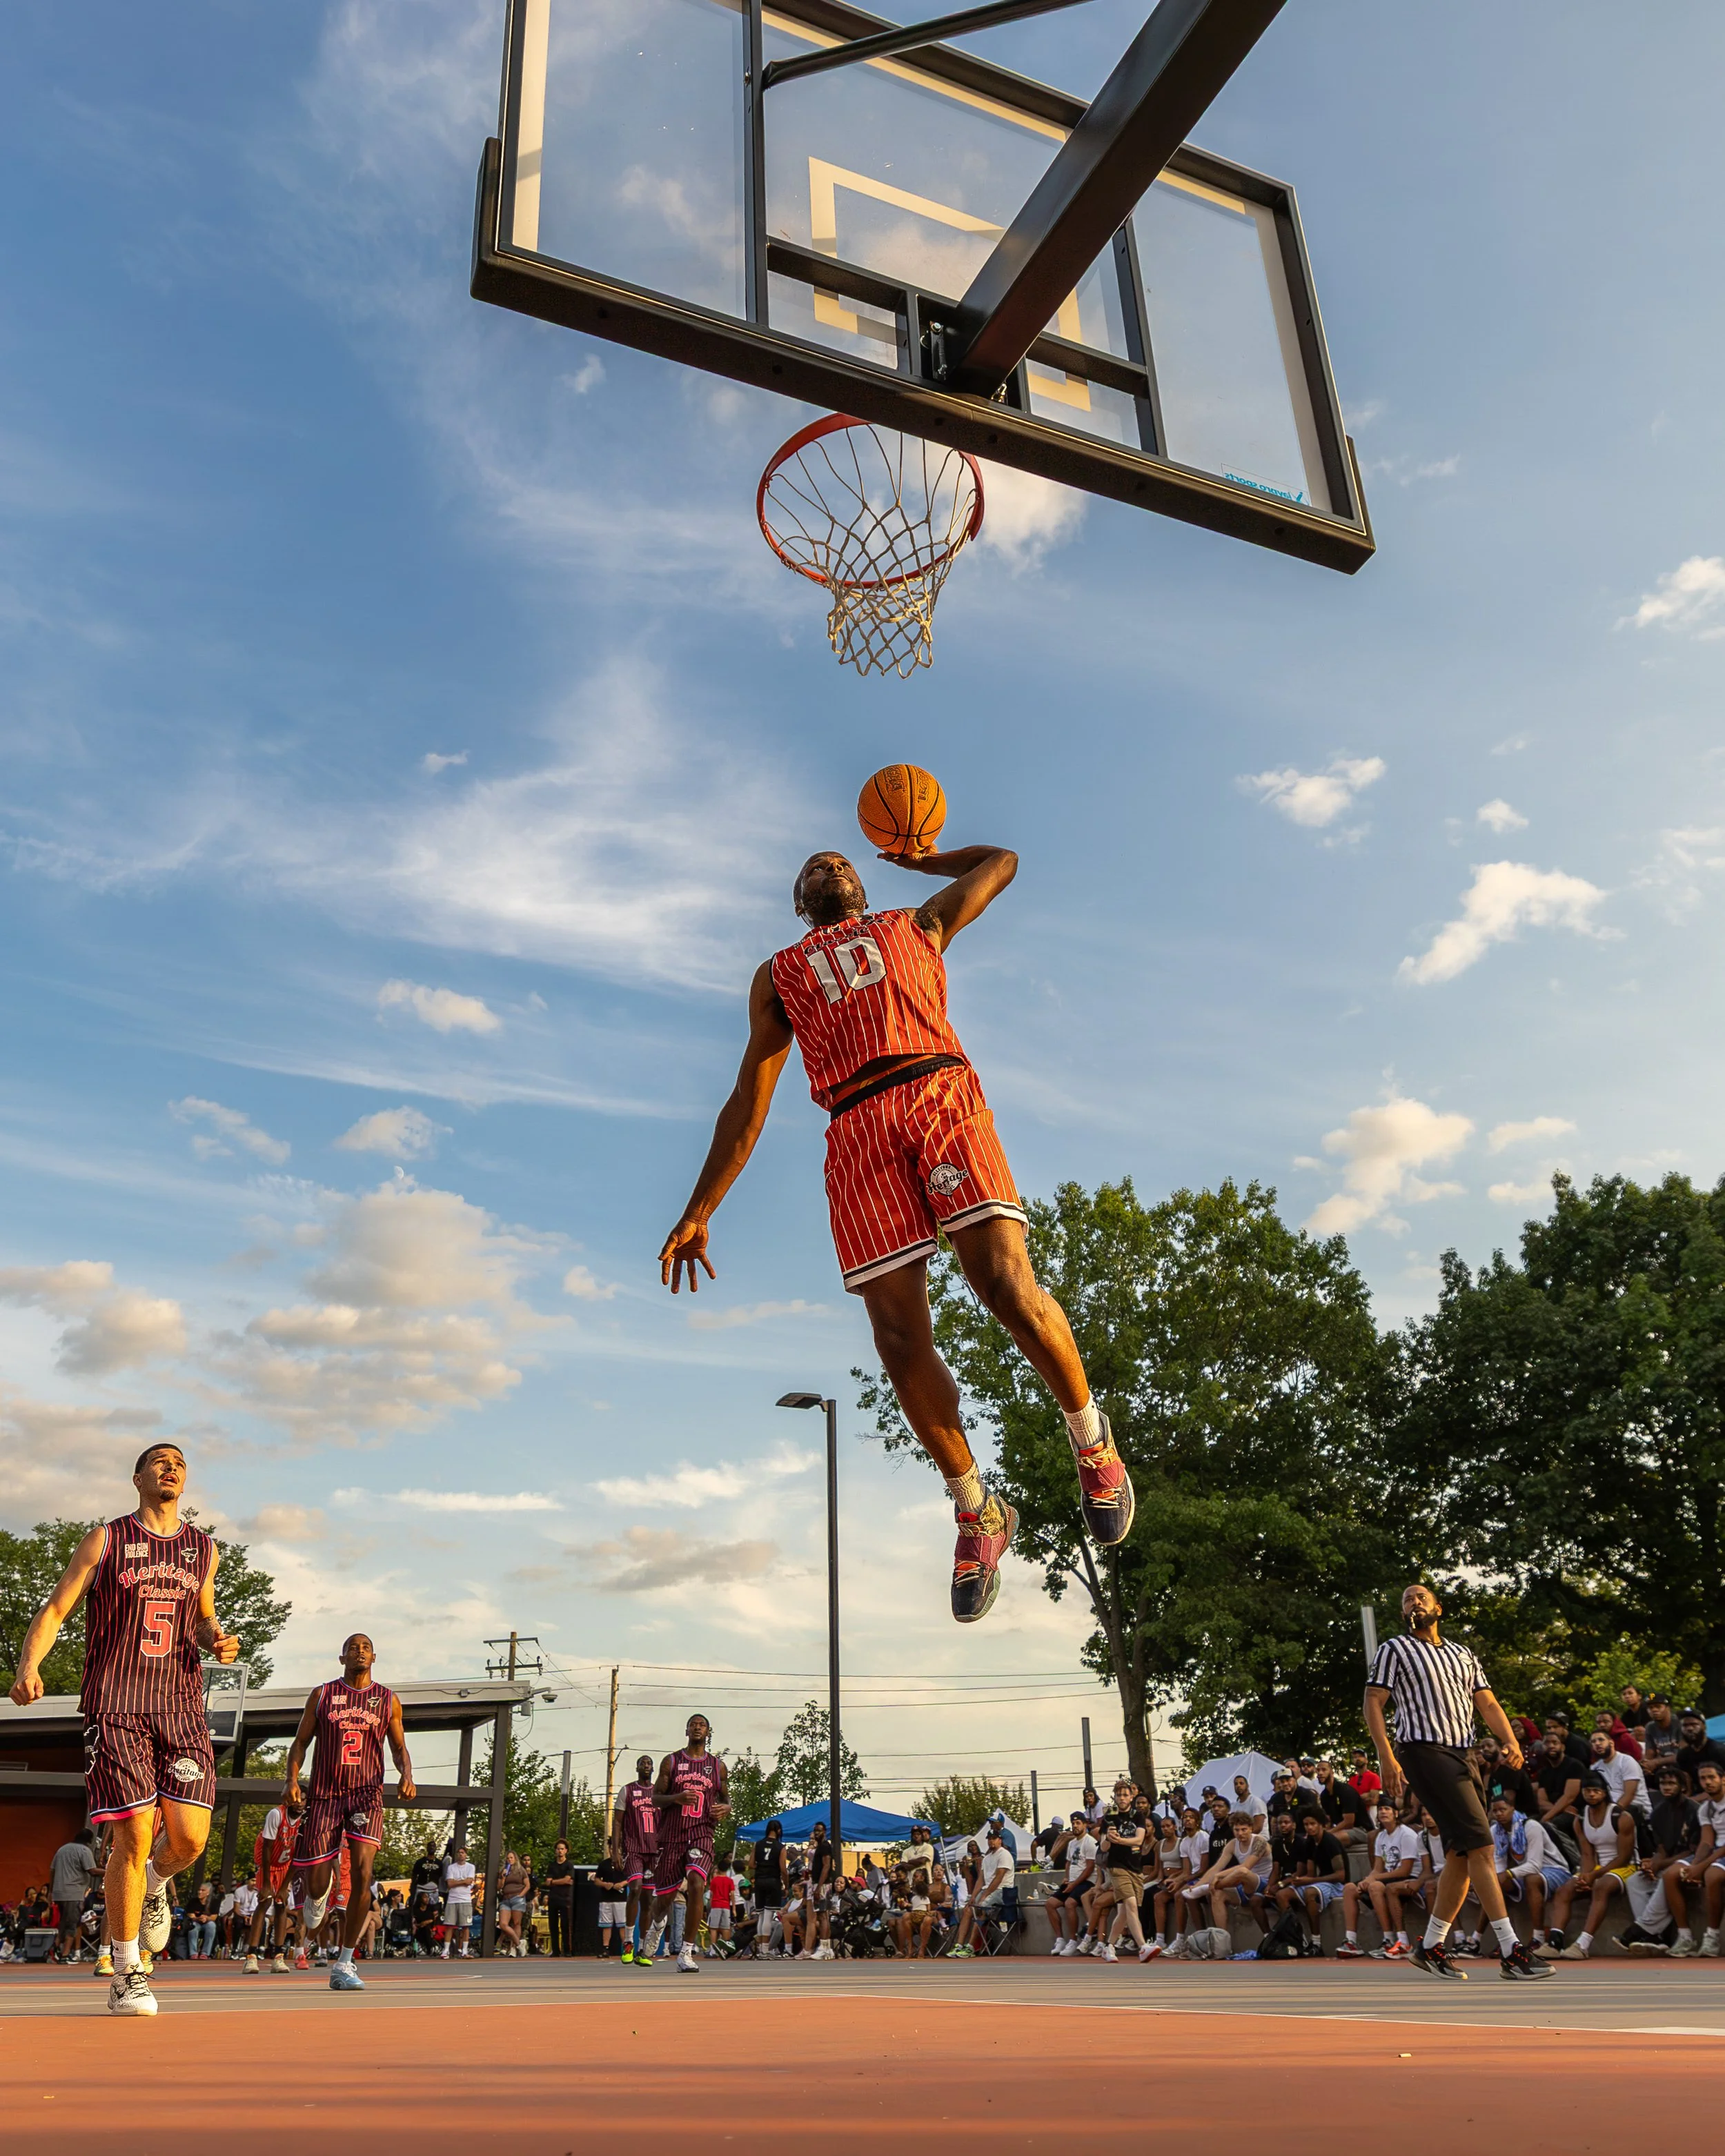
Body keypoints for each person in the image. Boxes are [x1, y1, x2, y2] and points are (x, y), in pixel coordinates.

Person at [658, 838, 1135, 1625]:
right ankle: (977, 1511)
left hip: (938, 1093)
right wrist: (700, 1206)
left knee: (1005, 1286)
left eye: (842, 862)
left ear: (862, 883)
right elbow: (749, 1095)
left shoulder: (917, 923)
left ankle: (1091, 1441)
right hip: (854, 1128)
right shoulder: (779, 976)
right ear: (798, 902)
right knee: (897, 1340)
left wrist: (926, 859)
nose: (829, 866)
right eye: (813, 867)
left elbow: (1006, 861)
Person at [7, 1443, 241, 2017]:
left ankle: (157, 1884)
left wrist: (216, 1637)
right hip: (116, 1706)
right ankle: (127, 1968)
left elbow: (205, 1615)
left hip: (181, 1708)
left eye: (180, 1463)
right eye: (160, 1460)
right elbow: (57, 1607)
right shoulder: (106, 1539)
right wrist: (28, 1664)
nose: (171, 1468)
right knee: (133, 1837)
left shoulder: (203, 1549)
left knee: (187, 1840)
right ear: (137, 1476)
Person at [1364, 1582, 1551, 1981]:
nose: (1414, 1601)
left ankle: (1431, 1946)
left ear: (1439, 1609)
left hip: (1463, 1753)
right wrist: (1386, 1755)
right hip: (1423, 1749)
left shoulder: (1463, 1654)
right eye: (1407, 1599)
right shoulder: (1394, 1650)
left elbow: (1487, 1702)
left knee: (1462, 1856)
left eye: (1421, 1597)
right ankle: (1511, 1950)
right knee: (1482, 1846)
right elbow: (1374, 1701)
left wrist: (1510, 1740)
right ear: (1403, 1614)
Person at [284, 1632, 414, 1993]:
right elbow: (301, 1742)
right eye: (352, 1647)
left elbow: (400, 1746)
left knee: (362, 1872)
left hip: (366, 1795)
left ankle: (344, 1962)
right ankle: (316, 1896)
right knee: (317, 1881)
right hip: (325, 1795)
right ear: (341, 1658)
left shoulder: (388, 1700)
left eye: (366, 1647)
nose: (359, 1651)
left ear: (375, 1657)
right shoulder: (323, 1694)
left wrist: (407, 1773)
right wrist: (292, 1779)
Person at [642, 1714, 729, 1975]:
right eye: (693, 1724)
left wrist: (725, 1808)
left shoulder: (718, 1766)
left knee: (697, 1882)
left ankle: (686, 1951)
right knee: (665, 1897)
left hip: (702, 1833)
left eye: (702, 1725)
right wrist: (677, 1797)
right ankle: (657, 1925)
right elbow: (655, 1798)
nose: (698, 1728)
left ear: (709, 1732)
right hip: (672, 1836)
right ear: (687, 1730)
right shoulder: (672, 1761)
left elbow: (727, 1800)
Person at [1542, 1771, 1636, 1959]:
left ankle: (1582, 1944)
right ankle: (1554, 1942)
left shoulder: (1621, 1816)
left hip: (1625, 1867)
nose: (1591, 1795)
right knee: (1564, 1890)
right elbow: (1587, 1854)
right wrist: (1585, 1876)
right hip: (1597, 1869)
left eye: (1596, 1791)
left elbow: (1624, 1857)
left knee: (1601, 1886)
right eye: (1587, 1791)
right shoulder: (1581, 1819)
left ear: (1604, 1792)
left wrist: (1594, 1876)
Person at [1618, 1764, 1698, 1955]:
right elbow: (1661, 1849)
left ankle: (1642, 1928)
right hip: (1669, 1861)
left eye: (1671, 1783)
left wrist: (1661, 1865)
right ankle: (1654, 1937)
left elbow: (1692, 1851)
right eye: (1663, 1783)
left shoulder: (1694, 1810)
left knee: (1666, 1877)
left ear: (1682, 1786)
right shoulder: (1658, 1813)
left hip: (1691, 1861)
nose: (1666, 1787)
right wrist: (1653, 1865)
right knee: (1635, 1880)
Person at [1337, 1797, 1421, 1959]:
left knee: (1375, 1887)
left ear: (1396, 1814)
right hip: (1387, 1876)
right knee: (1350, 1888)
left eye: (1387, 1809)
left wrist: (1374, 1880)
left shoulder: (1406, 1835)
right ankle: (1351, 1942)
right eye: (1381, 1809)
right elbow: (1377, 1868)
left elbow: (1405, 1870)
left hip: (1408, 1878)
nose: (1383, 1811)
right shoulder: (1381, 1837)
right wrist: (1367, 1879)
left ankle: (1389, 1939)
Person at [1486, 1795, 1570, 1951]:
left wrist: (1508, 1874)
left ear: (1513, 1808)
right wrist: (1499, 1878)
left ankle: (1538, 1938)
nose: (1499, 1814)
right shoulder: (1495, 1831)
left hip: (1556, 1870)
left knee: (1531, 1879)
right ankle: (1506, 1939)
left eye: (1503, 1810)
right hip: (1528, 1873)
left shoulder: (1531, 1826)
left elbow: (1535, 1865)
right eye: (1495, 1811)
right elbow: (1498, 1862)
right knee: (1495, 1885)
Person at [1664, 1757, 1725, 1957]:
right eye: (1703, 1778)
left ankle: (1712, 1937)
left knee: (1712, 1876)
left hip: (1722, 1854)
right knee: (1671, 1874)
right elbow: (1707, 1841)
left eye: (1711, 1778)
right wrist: (1695, 1866)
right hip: (1716, 1851)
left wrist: (1702, 1868)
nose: (1707, 1782)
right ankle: (1685, 1937)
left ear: (1723, 1779)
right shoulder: (1705, 1808)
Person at [613, 1753, 660, 1965]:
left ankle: (642, 1949)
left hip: (654, 1851)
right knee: (635, 1888)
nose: (646, 1766)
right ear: (637, 1768)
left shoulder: (660, 1793)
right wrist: (615, 1850)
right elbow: (617, 1823)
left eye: (649, 1764)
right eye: (642, 1763)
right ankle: (628, 1942)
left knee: (648, 1902)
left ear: (653, 1769)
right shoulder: (627, 1791)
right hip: (633, 1849)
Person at [1276, 1810, 1349, 1944]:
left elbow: (1341, 1875)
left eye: (1313, 1824)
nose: (1309, 1827)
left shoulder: (1330, 1842)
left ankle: (1316, 1942)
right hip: (1320, 1882)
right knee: (1282, 1895)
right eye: (1306, 1824)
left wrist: (1311, 1880)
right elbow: (1308, 1873)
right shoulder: (1309, 1842)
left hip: (1336, 1885)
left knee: (1310, 1892)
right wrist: (1296, 1880)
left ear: (1322, 1825)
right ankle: (1297, 1937)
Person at [949, 1823, 1014, 1956]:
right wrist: (973, 1896)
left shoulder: (1005, 1855)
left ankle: (971, 1947)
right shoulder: (987, 1858)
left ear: (1000, 1840)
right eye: (989, 1839)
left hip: (1003, 1892)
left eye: (994, 1838)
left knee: (981, 1909)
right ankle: (959, 1945)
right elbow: (981, 1880)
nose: (991, 1841)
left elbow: (998, 1878)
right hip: (988, 1890)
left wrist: (984, 1895)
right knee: (968, 1909)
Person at [1047, 1814, 1099, 1955]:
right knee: (1050, 1904)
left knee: (1070, 1903)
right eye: (1073, 1823)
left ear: (1085, 1825)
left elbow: (1089, 1868)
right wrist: (1067, 1878)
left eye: (1078, 1823)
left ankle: (1073, 1940)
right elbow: (1069, 1863)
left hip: (1086, 1882)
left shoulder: (1090, 1842)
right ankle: (1060, 1940)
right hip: (1072, 1881)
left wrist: (1074, 1884)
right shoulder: (1071, 1843)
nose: (1075, 1826)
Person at [50, 1831, 98, 1964]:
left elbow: (52, 1870)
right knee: (73, 1924)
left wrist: (51, 1892)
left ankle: (53, 1951)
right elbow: (92, 1871)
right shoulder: (84, 1850)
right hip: (73, 1893)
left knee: (64, 1922)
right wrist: (110, 1871)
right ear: (89, 1840)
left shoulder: (62, 1849)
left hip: (59, 1893)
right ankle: (65, 1956)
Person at [749, 1818, 786, 1961]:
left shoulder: (757, 1844)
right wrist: (786, 1883)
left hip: (759, 1880)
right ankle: (765, 1950)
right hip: (773, 1880)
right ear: (779, 1831)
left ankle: (760, 1950)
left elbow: (751, 1864)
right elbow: (783, 1868)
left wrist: (762, 1866)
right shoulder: (781, 1847)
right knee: (769, 1916)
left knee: (761, 1915)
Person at [1312, 1759, 1370, 1848]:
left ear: (1332, 1772)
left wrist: (1327, 1834)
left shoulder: (1345, 1791)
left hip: (1362, 1830)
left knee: (1330, 1840)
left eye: (1324, 1770)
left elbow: (1349, 1822)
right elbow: (1328, 1822)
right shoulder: (1324, 1796)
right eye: (1318, 1770)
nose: (1320, 1773)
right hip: (1343, 1830)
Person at [1674, 1710, 1725, 1793]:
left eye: (1694, 1724)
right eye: (1685, 1725)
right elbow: (1688, 1782)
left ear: (1704, 1726)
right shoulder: (1683, 1755)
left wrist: (1696, 1800)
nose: (1690, 1728)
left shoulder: (1719, 1751)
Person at [441, 1843, 476, 1959]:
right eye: (459, 1853)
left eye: (462, 1853)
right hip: (452, 1900)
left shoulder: (471, 1867)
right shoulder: (452, 1867)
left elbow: (470, 1881)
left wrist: (458, 1882)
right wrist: (462, 1881)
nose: (460, 1855)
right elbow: (450, 1883)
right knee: (449, 1925)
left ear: (466, 1855)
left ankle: (464, 1951)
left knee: (466, 1926)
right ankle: (446, 1950)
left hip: (465, 1899)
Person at [542, 1838, 576, 1957]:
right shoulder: (552, 1865)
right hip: (553, 1898)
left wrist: (554, 1882)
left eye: (562, 1849)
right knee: (553, 1925)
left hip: (566, 1899)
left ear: (566, 1850)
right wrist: (560, 1881)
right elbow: (547, 1882)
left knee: (566, 1926)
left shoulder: (569, 1865)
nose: (560, 1851)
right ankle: (555, 1950)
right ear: (556, 1851)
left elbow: (568, 1880)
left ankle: (567, 1950)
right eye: (558, 1849)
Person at [495, 1850, 529, 1957]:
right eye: (508, 1858)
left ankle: (513, 1948)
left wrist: (521, 1895)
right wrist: (503, 1877)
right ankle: (519, 1943)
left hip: (517, 1898)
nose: (510, 1860)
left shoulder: (521, 1870)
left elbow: (527, 1885)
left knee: (516, 1923)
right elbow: (499, 1887)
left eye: (512, 1858)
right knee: (503, 1924)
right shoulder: (503, 1871)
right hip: (506, 1899)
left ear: (515, 1859)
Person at [706, 1861, 736, 1956]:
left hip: (715, 1905)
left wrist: (709, 1906)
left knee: (714, 1928)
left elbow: (711, 1895)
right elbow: (732, 1895)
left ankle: (713, 1949)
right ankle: (725, 1949)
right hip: (726, 1906)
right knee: (726, 1928)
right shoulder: (730, 1881)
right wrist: (734, 1908)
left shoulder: (715, 1880)